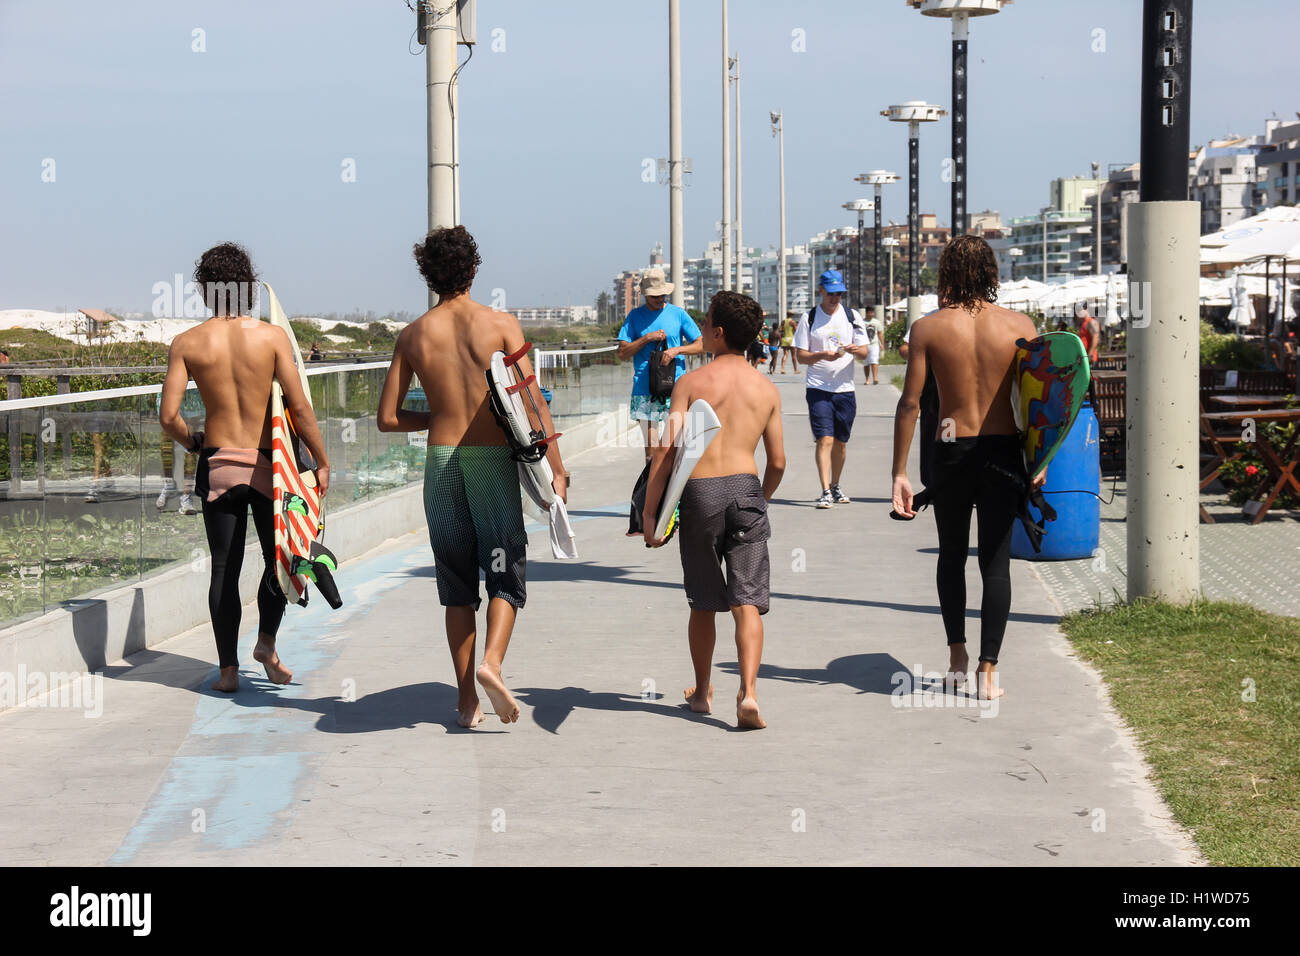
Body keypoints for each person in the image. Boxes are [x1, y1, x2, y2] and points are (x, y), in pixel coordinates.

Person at [377, 225, 567, 729]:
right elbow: (530, 401)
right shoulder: (501, 324)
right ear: (474, 269)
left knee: (457, 582)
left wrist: (438, 417)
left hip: (442, 463)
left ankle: (466, 702)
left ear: (427, 274)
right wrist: (558, 469)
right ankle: (492, 663)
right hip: (489, 459)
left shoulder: (413, 335)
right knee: (505, 568)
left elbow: (388, 418)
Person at [160, 242, 330, 693]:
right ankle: (267, 644)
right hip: (267, 466)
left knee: (223, 569)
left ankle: (228, 671)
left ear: (206, 291)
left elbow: (167, 416)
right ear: (248, 287)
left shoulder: (188, 343)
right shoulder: (271, 338)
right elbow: (299, 407)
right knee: (279, 559)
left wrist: (192, 442)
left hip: (217, 463)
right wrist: (322, 461)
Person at [891, 235, 1043, 701]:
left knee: (952, 555)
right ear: (992, 273)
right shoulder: (1022, 326)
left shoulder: (928, 328)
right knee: (995, 565)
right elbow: (1041, 406)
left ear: (947, 275)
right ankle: (988, 671)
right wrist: (1040, 462)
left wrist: (899, 472)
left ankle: (956, 657)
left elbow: (911, 403)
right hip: (1003, 453)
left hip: (952, 452)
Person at [643, 290, 785, 730]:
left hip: (700, 492)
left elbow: (667, 451)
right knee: (747, 601)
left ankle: (703, 693)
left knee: (704, 602)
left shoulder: (691, 384)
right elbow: (778, 462)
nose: (701, 330)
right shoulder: (766, 387)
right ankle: (750, 692)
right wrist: (759, 496)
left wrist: (651, 515)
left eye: (705, 324)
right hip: (746, 489)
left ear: (718, 333)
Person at [793, 269, 871, 508]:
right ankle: (825, 489)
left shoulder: (852, 316)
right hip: (818, 388)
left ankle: (836, 485)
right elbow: (801, 356)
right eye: (831, 293)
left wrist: (855, 350)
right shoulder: (810, 317)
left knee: (840, 442)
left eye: (839, 293)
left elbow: (865, 352)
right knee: (824, 439)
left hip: (845, 389)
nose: (835, 298)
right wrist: (821, 355)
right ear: (821, 291)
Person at [616, 269, 703, 460]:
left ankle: (675, 489)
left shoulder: (678, 314)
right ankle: (652, 489)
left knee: (677, 447)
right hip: (644, 389)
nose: (659, 298)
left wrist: (676, 350)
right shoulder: (634, 317)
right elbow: (622, 353)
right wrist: (646, 338)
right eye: (654, 295)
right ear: (646, 294)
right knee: (652, 452)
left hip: (676, 388)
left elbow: (701, 344)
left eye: (662, 293)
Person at [863, 309, 885, 385]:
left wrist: (882, 344)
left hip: (874, 344)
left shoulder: (876, 322)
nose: (871, 314)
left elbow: (880, 333)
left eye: (872, 312)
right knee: (866, 363)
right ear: (866, 313)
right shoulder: (862, 322)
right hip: (865, 345)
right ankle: (867, 379)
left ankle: (875, 378)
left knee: (874, 361)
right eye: (870, 312)